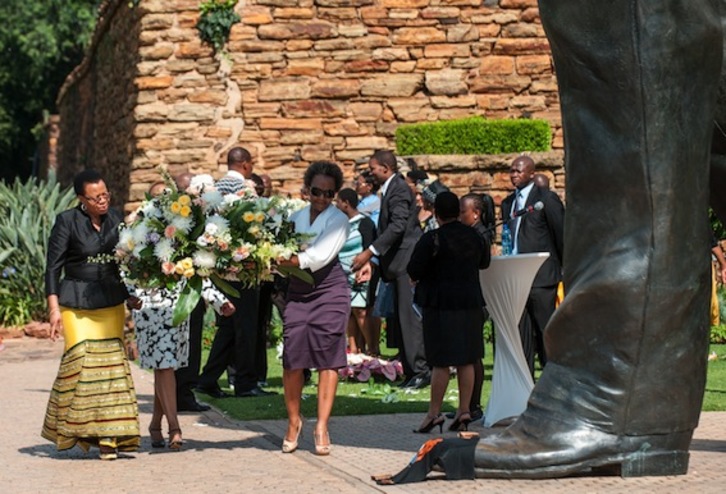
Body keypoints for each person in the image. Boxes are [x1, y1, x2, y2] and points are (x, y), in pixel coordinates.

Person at [42, 169, 142, 461]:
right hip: (76, 303)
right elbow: (53, 267)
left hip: (111, 302)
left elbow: (120, 263)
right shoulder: (67, 221)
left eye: (105, 194)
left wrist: (129, 294)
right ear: (81, 199)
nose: (103, 201)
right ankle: (78, 430)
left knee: (110, 371)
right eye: (96, 197)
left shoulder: (115, 219)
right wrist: (53, 309)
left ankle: (109, 438)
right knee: (82, 366)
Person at [130, 182, 236, 450]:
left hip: (178, 311)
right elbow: (126, 273)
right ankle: (174, 428)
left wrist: (219, 301)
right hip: (150, 310)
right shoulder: (139, 235)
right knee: (164, 367)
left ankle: (155, 424)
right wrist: (130, 300)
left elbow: (197, 274)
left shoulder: (182, 237)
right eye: (158, 199)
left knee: (165, 369)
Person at [276, 161, 350, 456]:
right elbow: (279, 254)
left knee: (328, 356)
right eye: (317, 191)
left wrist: (290, 261)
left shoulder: (339, 220)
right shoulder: (294, 217)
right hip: (298, 290)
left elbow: (320, 256)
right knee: (292, 357)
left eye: (329, 194)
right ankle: (294, 421)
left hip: (330, 290)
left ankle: (321, 425)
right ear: (307, 190)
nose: (322, 198)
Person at [408, 191, 490, 434]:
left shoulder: (432, 238)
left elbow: (413, 270)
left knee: (440, 362)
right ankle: (464, 410)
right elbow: (484, 263)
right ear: (457, 211)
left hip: (440, 305)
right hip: (469, 303)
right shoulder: (475, 237)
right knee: (466, 359)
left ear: (436, 213)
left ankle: (433, 414)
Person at [196, 146, 272, 398]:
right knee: (247, 327)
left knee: (229, 327)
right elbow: (255, 223)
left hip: (219, 269)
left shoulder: (214, 189)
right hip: (242, 268)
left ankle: (207, 379)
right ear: (246, 165)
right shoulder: (246, 190)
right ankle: (245, 382)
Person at [352, 150, 430, 389]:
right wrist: (374, 264)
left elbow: (397, 226)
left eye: (373, 168)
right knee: (400, 321)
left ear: (386, 168)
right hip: (394, 263)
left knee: (410, 319)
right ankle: (409, 370)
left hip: (406, 262)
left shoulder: (398, 189)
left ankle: (421, 371)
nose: (370, 172)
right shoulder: (388, 189)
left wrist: (369, 252)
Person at [501, 155, 565, 375]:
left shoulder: (546, 199)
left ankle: (552, 377)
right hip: (516, 277)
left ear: (531, 174)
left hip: (541, 277)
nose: (514, 175)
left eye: (519, 171)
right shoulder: (508, 203)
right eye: (512, 171)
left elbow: (561, 234)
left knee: (545, 330)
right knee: (521, 333)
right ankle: (524, 381)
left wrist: (563, 268)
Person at [170, 173, 212, 413]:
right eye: (189, 190)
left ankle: (185, 392)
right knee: (175, 343)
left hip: (193, 286)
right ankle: (173, 392)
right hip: (173, 289)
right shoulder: (169, 215)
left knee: (193, 341)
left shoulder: (199, 216)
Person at [457, 193, 494, 421]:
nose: (460, 216)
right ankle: (468, 404)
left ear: (476, 213)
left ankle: (473, 405)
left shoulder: (479, 235)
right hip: (470, 299)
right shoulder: (472, 233)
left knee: (472, 355)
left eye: (463, 212)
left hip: (474, 300)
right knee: (468, 355)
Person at [336, 188, 378, 354]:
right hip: (343, 274)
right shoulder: (340, 224)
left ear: (346, 204)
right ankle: (353, 349)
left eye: (338, 201)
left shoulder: (364, 223)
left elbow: (369, 247)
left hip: (360, 274)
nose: (336, 205)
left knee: (361, 311)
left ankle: (372, 348)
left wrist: (365, 265)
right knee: (349, 312)